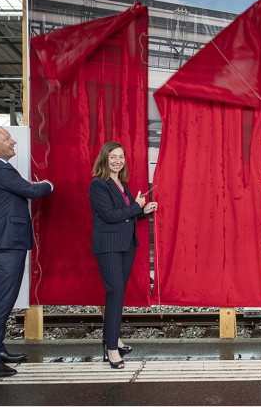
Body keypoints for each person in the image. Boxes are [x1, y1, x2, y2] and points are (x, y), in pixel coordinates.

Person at [0, 127, 53, 377]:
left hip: (7, 243)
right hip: (3, 245)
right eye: (7, 139)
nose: (13, 141)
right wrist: (48, 184)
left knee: (4, 300)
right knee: (1, 301)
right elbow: (31, 191)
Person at [89, 141, 157, 369]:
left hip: (126, 244)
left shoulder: (121, 183)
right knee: (115, 292)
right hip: (109, 245)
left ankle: (114, 338)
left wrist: (142, 211)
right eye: (113, 157)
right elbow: (109, 215)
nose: (118, 161)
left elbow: (126, 215)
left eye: (121, 157)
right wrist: (136, 206)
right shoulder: (98, 185)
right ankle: (111, 349)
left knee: (118, 294)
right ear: (104, 160)